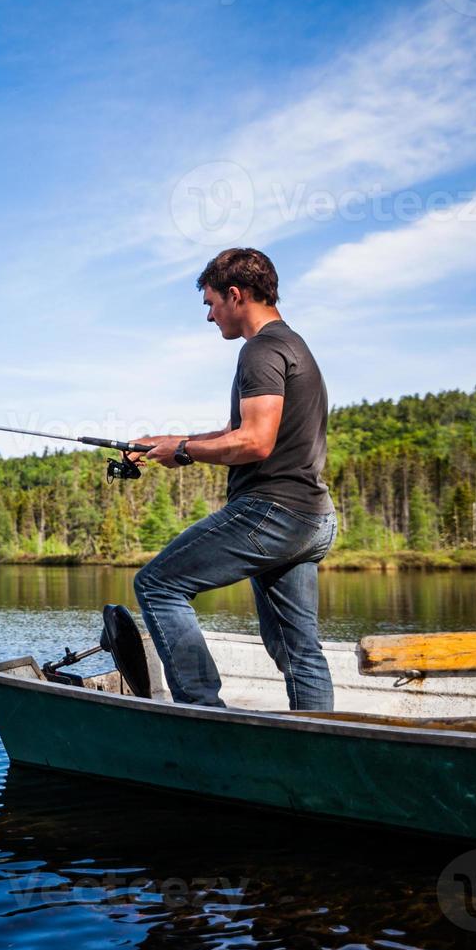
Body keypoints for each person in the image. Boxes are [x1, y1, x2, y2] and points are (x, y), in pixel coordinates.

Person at [132, 247, 337, 711]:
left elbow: (256, 443)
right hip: (311, 519)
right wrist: (169, 443)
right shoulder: (293, 345)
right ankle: (320, 743)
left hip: (273, 514)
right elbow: (236, 432)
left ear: (235, 294)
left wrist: (183, 450)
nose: (209, 316)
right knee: (299, 649)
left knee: (158, 585)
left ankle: (202, 712)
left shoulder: (260, 350)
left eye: (209, 303)